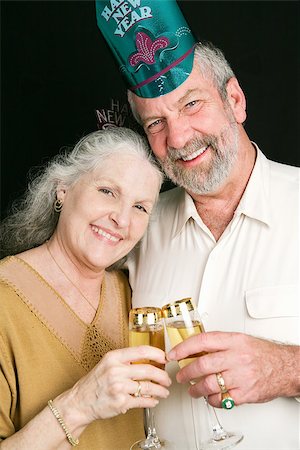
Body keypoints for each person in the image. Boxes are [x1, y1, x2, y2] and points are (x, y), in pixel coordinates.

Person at [125, 41, 300, 449]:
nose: (179, 136)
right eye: (155, 124)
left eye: (191, 105)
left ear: (234, 100)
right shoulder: (134, 227)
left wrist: (287, 368)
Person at [0, 127, 171, 449]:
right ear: (62, 189)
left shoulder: (135, 294)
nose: (121, 218)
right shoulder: (6, 297)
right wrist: (80, 404)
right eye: (107, 191)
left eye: (140, 207)